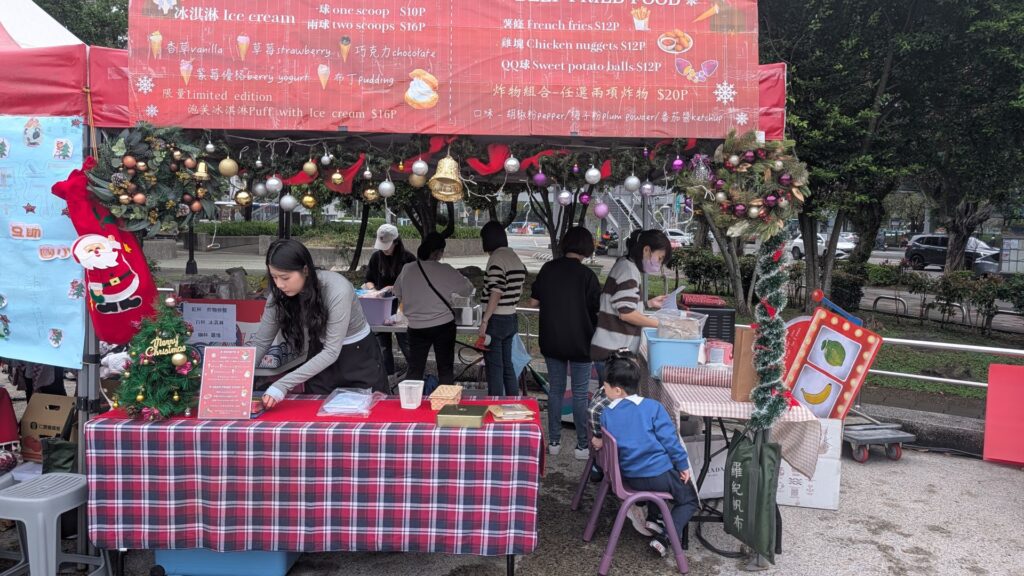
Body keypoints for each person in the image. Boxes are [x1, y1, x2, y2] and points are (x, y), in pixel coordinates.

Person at [253, 239, 388, 408]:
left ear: (305, 270)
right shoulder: (278, 296)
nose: (279, 284)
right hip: (320, 354)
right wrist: (236, 378)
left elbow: (332, 351)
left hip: (358, 355)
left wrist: (282, 385)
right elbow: (261, 342)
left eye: (285, 277)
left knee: (367, 411)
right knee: (316, 410)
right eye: (274, 277)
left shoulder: (337, 289)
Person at [599, 350, 699, 557]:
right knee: (690, 499)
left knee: (659, 475)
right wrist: (682, 465)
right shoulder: (653, 407)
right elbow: (670, 441)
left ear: (617, 390)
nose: (603, 389)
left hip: (629, 477)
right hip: (658, 475)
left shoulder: (607, 414)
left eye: (605, 386)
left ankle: (654, 518)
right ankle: (665, 538)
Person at [527, 227, 600, 458]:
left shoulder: (548, 269)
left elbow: (532, 302)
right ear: (586, 248)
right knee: (580, 393)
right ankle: (582, 446)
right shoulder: (588, 276)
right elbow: (597, 310)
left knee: (556, 391)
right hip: (581, 342)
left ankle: (554, 443)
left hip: (552, 340)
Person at [392, 233, 474, 386]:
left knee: (415, 370)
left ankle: (412, 398)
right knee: (445, 369)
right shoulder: (446, 270)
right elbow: (467, 289)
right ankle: (445, 398)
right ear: (437, 252)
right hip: (443, 326)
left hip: (416, 327)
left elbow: (397, 291)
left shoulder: (408, 269)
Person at [590, 228, 673, 365]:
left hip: (611, 351)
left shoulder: (625, 264)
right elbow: (626, 314)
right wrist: (661, 325)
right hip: (612, 354)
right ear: (646, 250)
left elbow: (621, 303)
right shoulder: (628, 270)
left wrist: (648, 304)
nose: (659, 265)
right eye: (660, 258)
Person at [478, 221, 527, 396]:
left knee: (495, 369)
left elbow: (496, 291)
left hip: (495, 320)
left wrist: (485, 320)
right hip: (511, 317)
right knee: (508, 366)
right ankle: (512, 403)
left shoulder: (496, 259)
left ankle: (494, 405)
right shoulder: (514, 257)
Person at [363, 224, 416, 380]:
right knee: (383, 346)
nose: (384, 250)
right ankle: (388, 378)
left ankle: (415, 376)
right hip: (380, 308)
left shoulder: (408, 259)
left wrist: (395, 288)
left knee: (406, 343)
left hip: (403, 308)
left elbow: (416, 284)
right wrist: (373, 290)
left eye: (387, 245)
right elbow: (368, 280)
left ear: (396, 242)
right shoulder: (376, 257)